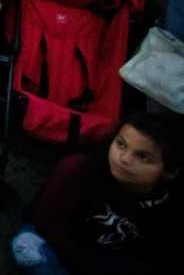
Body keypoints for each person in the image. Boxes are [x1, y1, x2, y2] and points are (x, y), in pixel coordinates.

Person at [11, 113, 180, 275]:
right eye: (121, 144)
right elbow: (48, 225)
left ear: (170, 171)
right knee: (28, 247)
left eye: (142, 156)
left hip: (111, 264)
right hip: (59, 245)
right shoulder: (77, 169)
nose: (124, 159)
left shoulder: (165, 205)